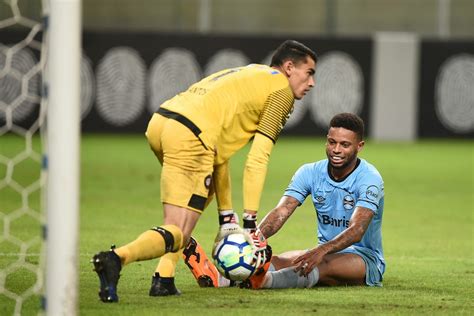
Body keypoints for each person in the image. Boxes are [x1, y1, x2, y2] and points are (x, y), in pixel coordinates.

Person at [91, 39, 317, 302]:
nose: (311, 82)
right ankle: (116, 259)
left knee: (197, 201)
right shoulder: (281, 91)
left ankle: (163, 278)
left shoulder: (252, 74)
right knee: (177, 232)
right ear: (289, 67)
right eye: (309, 72)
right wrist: (251, 223)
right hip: (191, 136)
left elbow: (218, 154)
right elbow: (258, 158)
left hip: (163, 122)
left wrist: (226, 216)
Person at [185, 112, 385, 289]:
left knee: (319, 265)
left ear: (359, 146)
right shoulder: (310, 172)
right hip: (322, 251)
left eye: (345, 144)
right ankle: (218, 277)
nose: (336, 150)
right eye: (332, 142)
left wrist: (320, 250)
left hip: (363, 258)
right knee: (278, 260)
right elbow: (282, 211)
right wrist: (255, 240)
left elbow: (357, 230)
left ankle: (264, 282)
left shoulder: (369, 178)